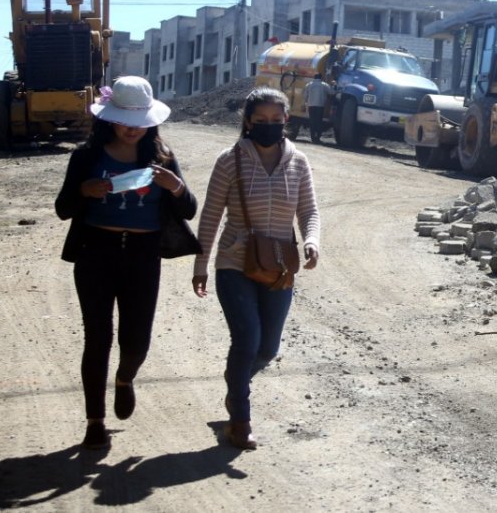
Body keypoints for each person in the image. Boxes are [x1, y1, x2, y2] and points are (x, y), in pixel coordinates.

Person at [55, 76, 200, 450]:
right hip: (95, 254)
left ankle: (125, 378)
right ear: (108, 119)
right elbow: (63, 208)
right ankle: (94, 422)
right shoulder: (86, 157)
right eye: (123, 120)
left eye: (139, 121)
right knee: (97, 338)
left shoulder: (161, 158)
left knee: (136, 341)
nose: (132, 129)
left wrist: (176, 186)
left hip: (143, 256)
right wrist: (84, 190)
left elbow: (188, 209)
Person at [192, 87, 320, 450]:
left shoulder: (299, 162)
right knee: (246, 339)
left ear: (286, 120)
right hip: (234, 263)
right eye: (260, 120)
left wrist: (312, 241)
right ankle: (240, 422)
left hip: (280, 267)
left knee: (267, 348)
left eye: (275, 120)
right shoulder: (229, 160)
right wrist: (201, 264)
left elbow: (309, 211)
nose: (268, 126)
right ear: (248, 121)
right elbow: (212, 216)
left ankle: (236, 388)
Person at [303, 73, 331, 143]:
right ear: (321, 78)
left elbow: (305, 96)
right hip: (320, 106)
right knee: (319, 122)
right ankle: (317, 138)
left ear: (314, 78)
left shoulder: (309, 85)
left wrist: (306, 102)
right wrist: (334, 85)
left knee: (312, 121)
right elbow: (332, 92)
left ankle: (312, 138)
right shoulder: (324, 85)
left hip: (311, 106)